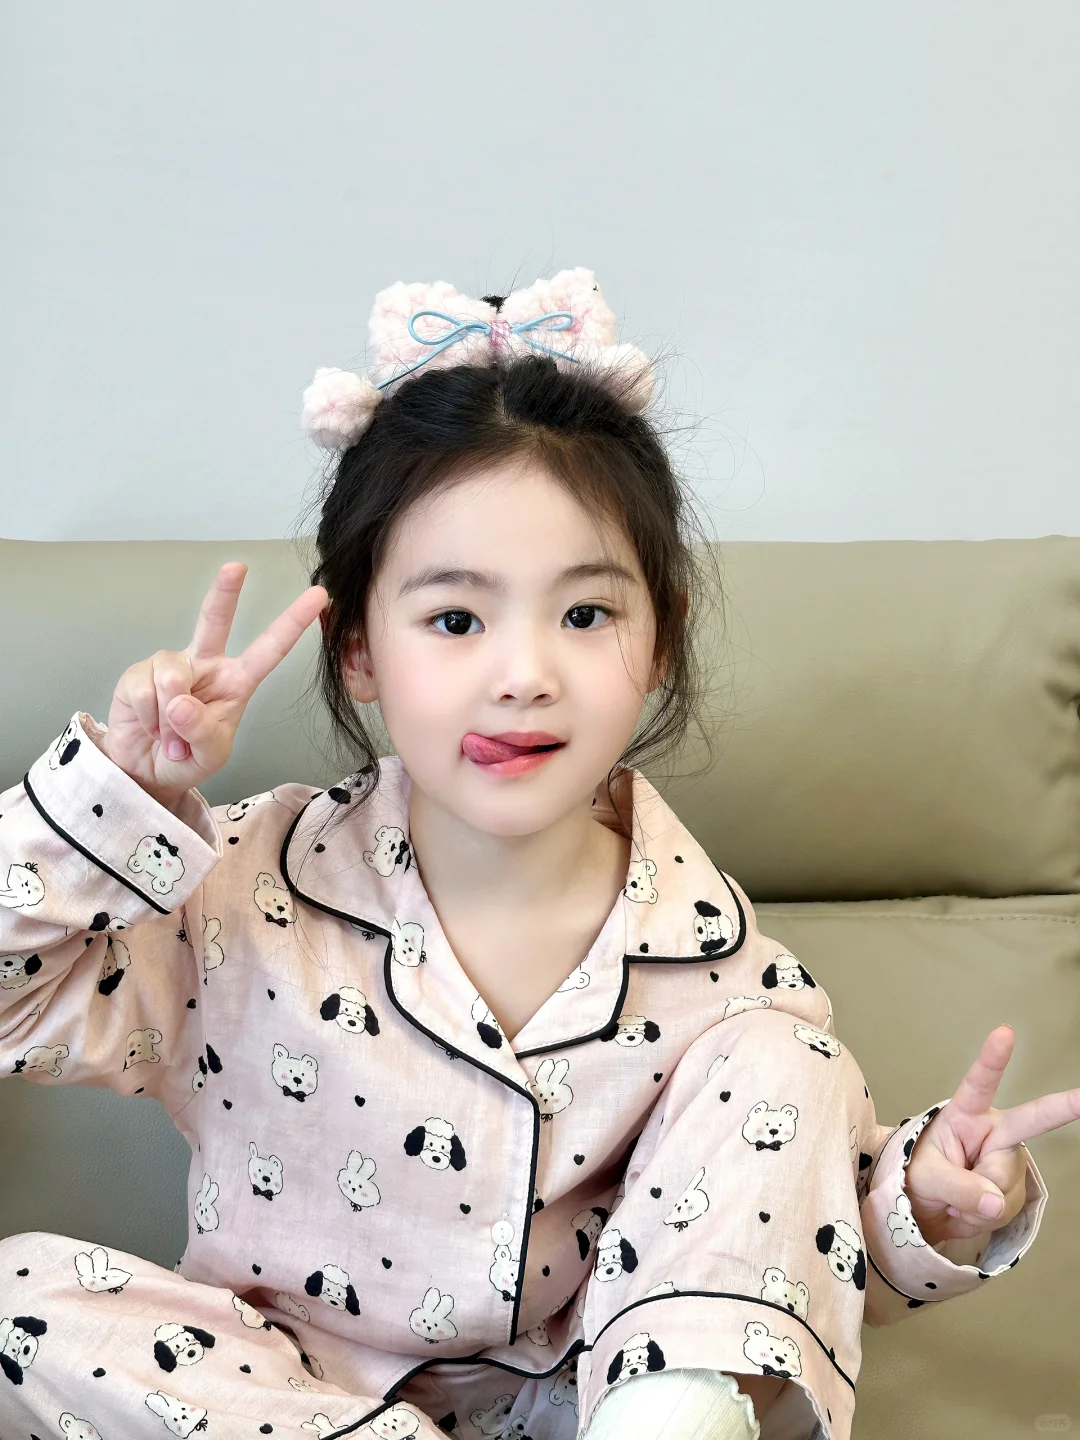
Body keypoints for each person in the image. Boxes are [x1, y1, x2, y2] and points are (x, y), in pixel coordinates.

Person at [0, 268, 1075, 1440]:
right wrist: (124, 796)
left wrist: (929, 1207)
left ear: (658, 642)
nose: (523, 674)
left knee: (790, 1063)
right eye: (456, 620)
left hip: (597, 1400)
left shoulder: (729, 978)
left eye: (585, 615)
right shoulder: (237, 885)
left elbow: (776, 1250)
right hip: (292, 1405)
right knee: (19, 1299)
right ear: (358, 650)